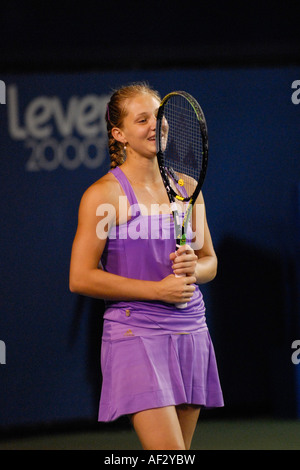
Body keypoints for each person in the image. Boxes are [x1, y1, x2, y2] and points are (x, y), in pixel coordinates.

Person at [69, 82, 223, 450]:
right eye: (142, 119)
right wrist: (156, 290)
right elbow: (80, 277)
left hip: (190, 330)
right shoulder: (103, 195)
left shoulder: (186, 187)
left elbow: (209, 263)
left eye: (158, 116)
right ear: (119, 134)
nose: (155, 125)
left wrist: (192, 269)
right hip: (134, 332)